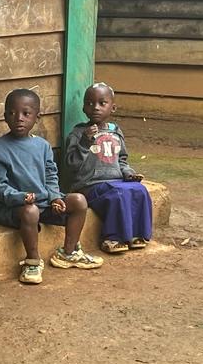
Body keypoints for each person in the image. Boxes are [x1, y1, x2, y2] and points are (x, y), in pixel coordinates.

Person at [0, 88, 102, 284]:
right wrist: (20, 197)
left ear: (37, 117)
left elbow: (50, 176)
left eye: (26, 113)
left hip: (43, 203)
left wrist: (55, 197)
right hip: (13, 207)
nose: (19, 118)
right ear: (5, 117)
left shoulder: (43, 146)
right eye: (12, 113)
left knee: (79, 201)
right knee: (30, 211)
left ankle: (69, 252)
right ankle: (32, 261)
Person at [65, 83, 153, 255]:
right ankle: (112, 238)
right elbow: (71, 165)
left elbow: (122, 159)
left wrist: (128, 173)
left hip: (116, 181)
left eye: (102, 103)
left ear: (113, 108)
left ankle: (136, 234)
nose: (95, 108)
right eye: (90, 103)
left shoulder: (116, 131)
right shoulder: (78, 133)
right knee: (118, 194)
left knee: (140, 190)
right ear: (84, 108)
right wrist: (85, 142)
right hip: (90, 185)